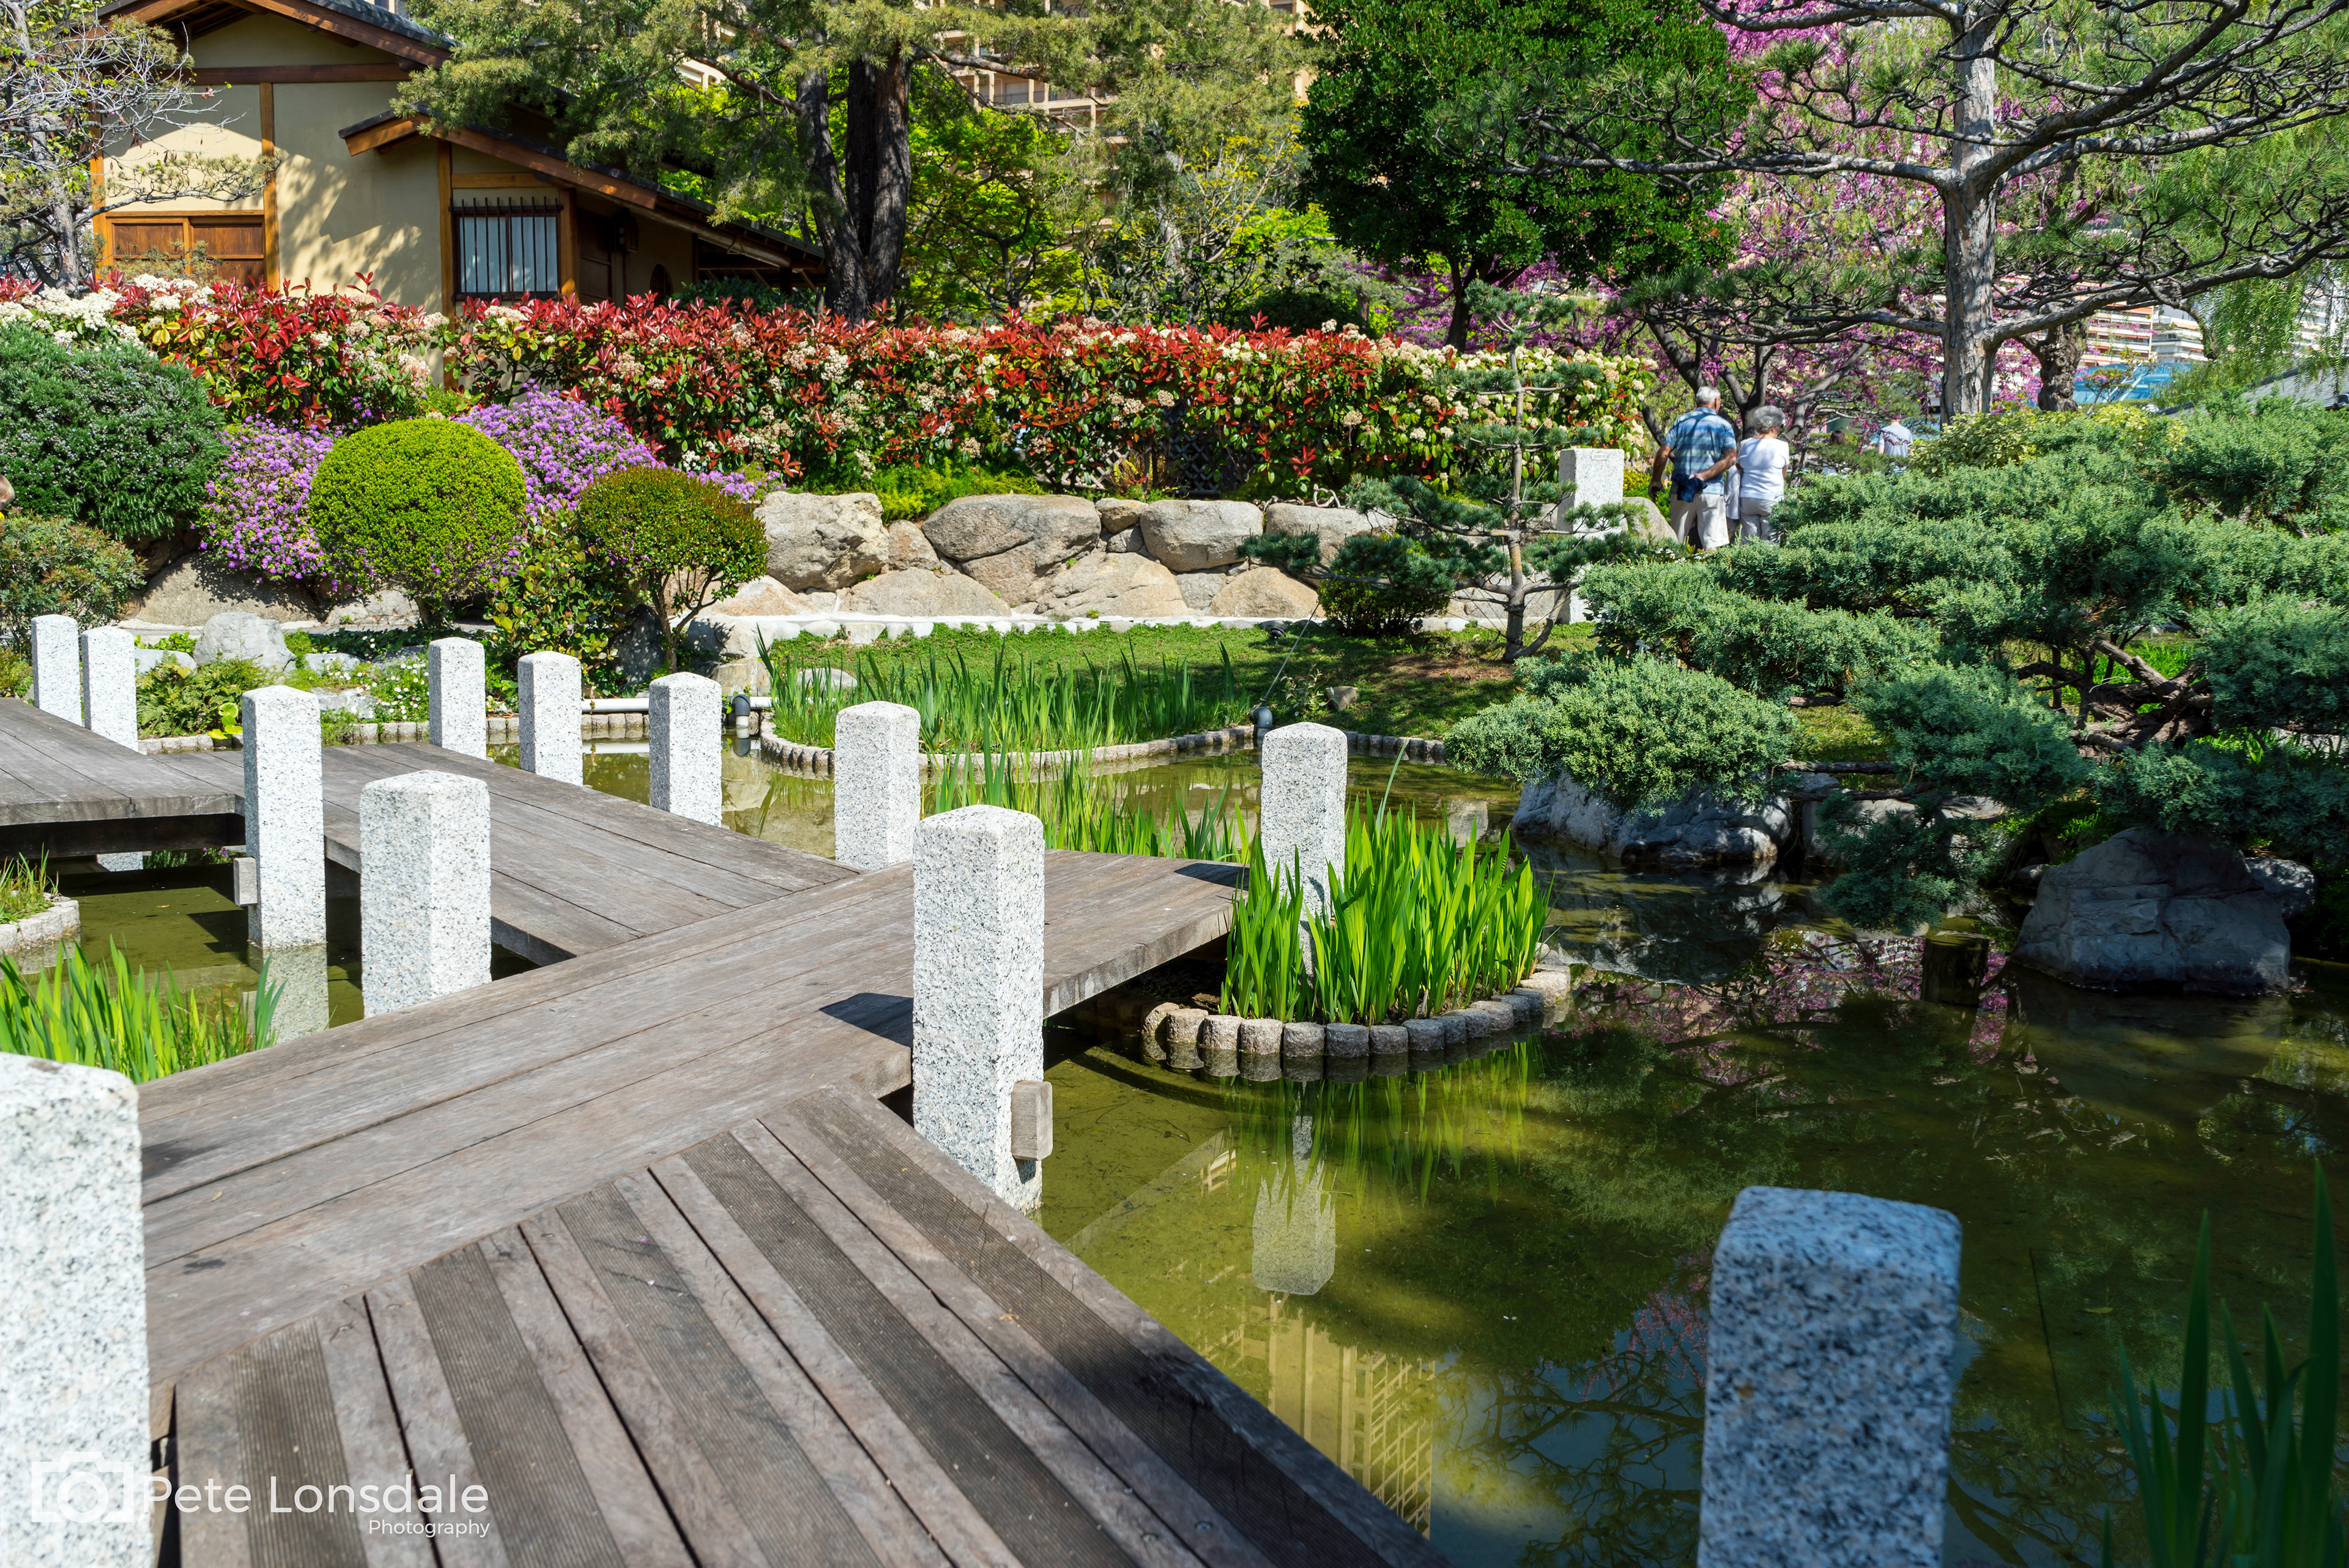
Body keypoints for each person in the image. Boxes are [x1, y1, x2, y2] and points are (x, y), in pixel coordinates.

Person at [1649, 386, 1739, 549]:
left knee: (1675, 543)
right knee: (1712, 546)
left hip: (1682, 489)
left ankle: (1675, 566)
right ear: (1717, 402)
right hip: (1711, 491)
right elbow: (1731, 457)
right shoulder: (1724, 425)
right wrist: (1704, 476)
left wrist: (1656, 480)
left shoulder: (1682, 421)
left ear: (1696, 401)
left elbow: (1663, 453)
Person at [1733, 406, 1791, 543]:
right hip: (1772, 498)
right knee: (1771, 541)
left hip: (1748, 497)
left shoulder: (1745, 444)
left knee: (1750, 541)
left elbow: (1739, 466)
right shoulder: (1782, 446)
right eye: (1781, 426)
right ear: (1774, 426)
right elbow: (1783, 474)